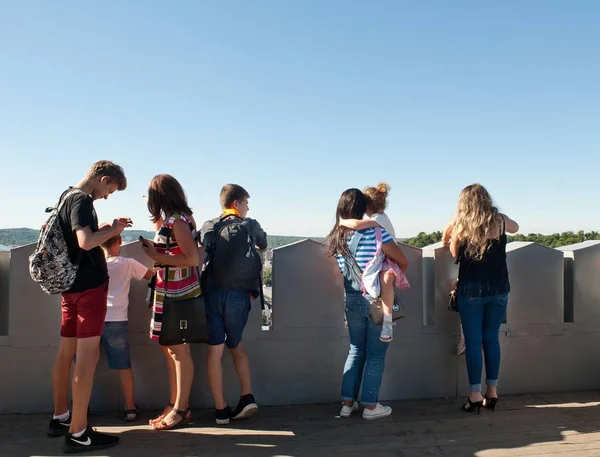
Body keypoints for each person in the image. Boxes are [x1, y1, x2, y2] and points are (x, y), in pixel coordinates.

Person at [48, 161, 129, 454]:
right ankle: (79, 431)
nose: (107, 196)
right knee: (87, 357)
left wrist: (104, 229)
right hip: (89, 289)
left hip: (69, 287)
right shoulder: (82, 200)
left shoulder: (66, 196)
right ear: (103, 178)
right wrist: (114, 230)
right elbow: (84, 242)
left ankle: (61, 417)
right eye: (109, 190)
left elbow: (76, 239)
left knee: (65, 352)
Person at [326, 188, 409, 420]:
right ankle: (371, 406)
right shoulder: (376, 232)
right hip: (376, 302)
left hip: (351, 299)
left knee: (355, 350)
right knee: (375, 355)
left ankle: (347, 404)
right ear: (363, 208)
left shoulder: (336, 236)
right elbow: (403, 260)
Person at [442, 184, 519, 413]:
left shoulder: (463, 227)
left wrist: (455, 225)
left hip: (471, 290)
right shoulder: (501, 220)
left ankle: (475, 394)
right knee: (491, 340)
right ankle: (492, 392)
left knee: (474, 342)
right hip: (499, 288)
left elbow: (453, 251)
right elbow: (516, 227)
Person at [200, 184, 268, 425]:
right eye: (246, 203)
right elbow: (263, 245)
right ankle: (246, 396)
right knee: (236, 347)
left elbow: (203, 248)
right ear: (236, 203)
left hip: (212, 293)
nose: (248, 208)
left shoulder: (209, 224)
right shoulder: (250, 224)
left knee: (214, 351)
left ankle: (220, 410)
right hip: (238, 295)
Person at [140, 174, 201, 430]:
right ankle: (175, 403)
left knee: (178, 351)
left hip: (178, 294)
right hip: (172, 292)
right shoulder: (180, 218)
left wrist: (155, 255)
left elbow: (192, 259)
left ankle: (180, 408)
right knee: (171, 348)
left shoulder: (177, 222)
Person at [339, 183, 409, 342]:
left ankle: (387, 321)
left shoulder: (377, 220)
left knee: (385, 281)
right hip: (385, 257)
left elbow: (356, 224)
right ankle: (387, 320)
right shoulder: (380, 218)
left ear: (367, 205)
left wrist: (341, 223)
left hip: (386, 259)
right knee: (385, 284)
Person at [98, 224, 153, 422]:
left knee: (85, 366)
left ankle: (81, 407)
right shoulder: (127, 263)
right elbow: (151, 276)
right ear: (119, 241)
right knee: (123, 366)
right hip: (117, 319)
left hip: (94, 320)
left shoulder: (96, 265)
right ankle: (130, 408)